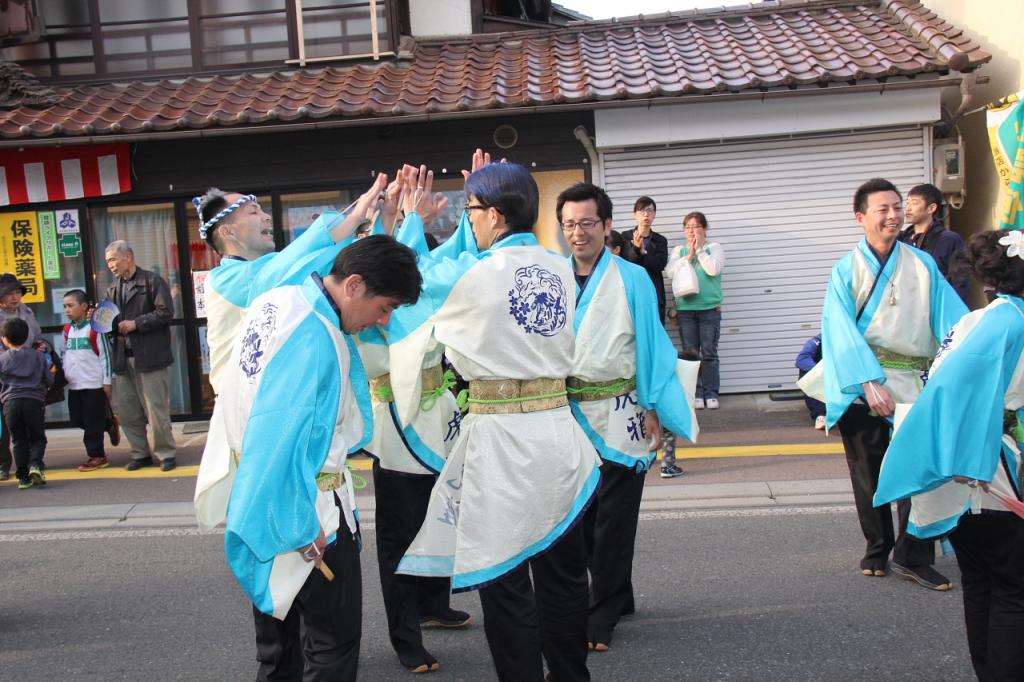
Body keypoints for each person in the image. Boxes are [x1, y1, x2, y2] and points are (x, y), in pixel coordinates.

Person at [389, 162, 599, 681]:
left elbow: (409, 278)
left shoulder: (470, 274)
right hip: (559, 431)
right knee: (565, 574)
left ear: (497, 215)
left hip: (502, 440)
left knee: (506, 581)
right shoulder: (559, 266)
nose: (470, 221)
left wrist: (412, 219)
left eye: (473, 210)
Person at [191, 179, 394, 681]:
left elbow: (338, 273)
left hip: (271, 445)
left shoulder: (280, 289)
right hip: (271, 451)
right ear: (227, 232)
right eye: (255, 210)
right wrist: (352, 216)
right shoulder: (237, 282)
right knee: (301, 615)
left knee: (283, 607)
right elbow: (305, 267)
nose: (265, 216)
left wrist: (374, 223)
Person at [221, 234, 422, 681]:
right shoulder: (314, 338)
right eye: (384, 306)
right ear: (353, 285)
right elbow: (279, 434)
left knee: (278, 647)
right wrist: (298, 523)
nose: (382, 320)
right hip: (307, 509)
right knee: (331, 643)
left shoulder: (280, 300)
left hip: (260, 496)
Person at [798, 178, 967, 588]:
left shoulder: (922, 264)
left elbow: (950, 318)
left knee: (918, 470)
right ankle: (877, 547)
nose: (893, 215)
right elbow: (837, 329)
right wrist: (868, 382)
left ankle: (913, 553)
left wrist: (963, 356)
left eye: (897, 207)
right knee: (867, 472)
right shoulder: (846, 269)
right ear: (861, 218)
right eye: (883, 209)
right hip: (863, 385)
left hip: (913, 381)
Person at [875, 228, 1024, 681]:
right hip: (999, 470)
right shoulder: (1015, 323)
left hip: (956, 475)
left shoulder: (972, 322)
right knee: (1014, 591)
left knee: (980, 583)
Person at [558, 182, 699, 652]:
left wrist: (656, 406)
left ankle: (601, 615)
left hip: (622, 407)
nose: (578, 233)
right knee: (581, 513)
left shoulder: (633, 277)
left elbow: (653, 345)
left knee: (615, 518)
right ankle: (618, 593)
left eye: (587, 223)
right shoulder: (552, 278)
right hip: (569, 412)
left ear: (606, 226)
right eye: (569, 225)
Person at [358, 167, 471, 675]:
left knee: (443, 510)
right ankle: (405, 637)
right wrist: (399, 217)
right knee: (400, 533)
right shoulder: (374, 290)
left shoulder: (422, 274)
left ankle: (433, 602)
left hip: (438, 412)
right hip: (398, 421)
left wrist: (474, 212)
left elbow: (455, 262)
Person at [104, 241, 177, 471]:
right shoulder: (111, 289)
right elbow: (111, 324)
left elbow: (166, 312)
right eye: (108, 262)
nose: (111, 265)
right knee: (127, 411)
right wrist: (100, 319)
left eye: (114, 259)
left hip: (150, 356)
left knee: (155, 409)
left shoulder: (152, 281)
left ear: (129, 256)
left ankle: (165, 454)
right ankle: (140, 453)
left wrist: (137, 323)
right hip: (123, 358)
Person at [666, 212, 725, 410]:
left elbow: (713, 270)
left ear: (705, 229)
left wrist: (699, 251)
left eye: (695, 226)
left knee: (709, 352)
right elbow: (670, 272)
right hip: (686, 310)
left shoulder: (714, 248)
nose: (691, 231)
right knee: (690, 354)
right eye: (688, 227)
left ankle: (711, 393)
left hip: (710, 309)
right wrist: (688, 256)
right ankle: (695, 393)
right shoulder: (679, 251)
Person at [61, 290, 119, 472]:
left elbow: (105, 357)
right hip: (75, 384)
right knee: (77, 419)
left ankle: (97, 455)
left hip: (93, 383)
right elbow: (66, 354)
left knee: (92, 423)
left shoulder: (95, 329)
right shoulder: (67, 330)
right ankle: (108, 424)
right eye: (65, 306)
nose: (67, 310)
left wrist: (107, 382)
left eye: (71, 306)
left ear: (84, 306)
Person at [0, 272, 45, 482]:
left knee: (24, 427)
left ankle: (27, 469)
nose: (15, 297)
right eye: (10, 293)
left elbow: (37, 336)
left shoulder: (26, 311)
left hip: (27, 376)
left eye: (18, 292)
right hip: (6, 375)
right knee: (5, 427)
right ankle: (4, 464)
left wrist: (41, 346)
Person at [0, 317, 53, 489]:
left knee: (18, 440)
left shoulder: (2, 359)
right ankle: (35, 465)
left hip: (10, 404)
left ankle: (23, 478)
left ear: (5, 339)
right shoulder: (38, 357)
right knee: (37, 437)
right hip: (34, 401)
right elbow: (49, 379)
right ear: (27, 336)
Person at [899, 183, 969, 302]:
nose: (908, 208)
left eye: (914, 203)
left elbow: (961, 282)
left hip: (938, 307)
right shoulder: (901, 239)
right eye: (907, 203)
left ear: (931, 208)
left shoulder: (949, 240)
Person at [619, 196, 669, 323]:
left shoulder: (660, 240)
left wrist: (643, 253)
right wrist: (636, 249)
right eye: (642, 211)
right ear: (635, 214)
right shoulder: (625, 237)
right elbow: (625, 262)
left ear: (654, 215)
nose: (646, 214)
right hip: (632, 291)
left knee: (655, 328)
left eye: (650, 210)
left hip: (653, 291)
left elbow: (660, 265)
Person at [660, 348, 701, 478]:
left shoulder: (664, 370)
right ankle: (667, 467)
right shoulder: (683, 380)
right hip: (667, 409)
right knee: (669, 434)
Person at [795, 334, 826, 430]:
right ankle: (821, 415)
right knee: (808, 372)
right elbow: (801, 360)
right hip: (821, 374)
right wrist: (822, 371)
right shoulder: (816, 341)